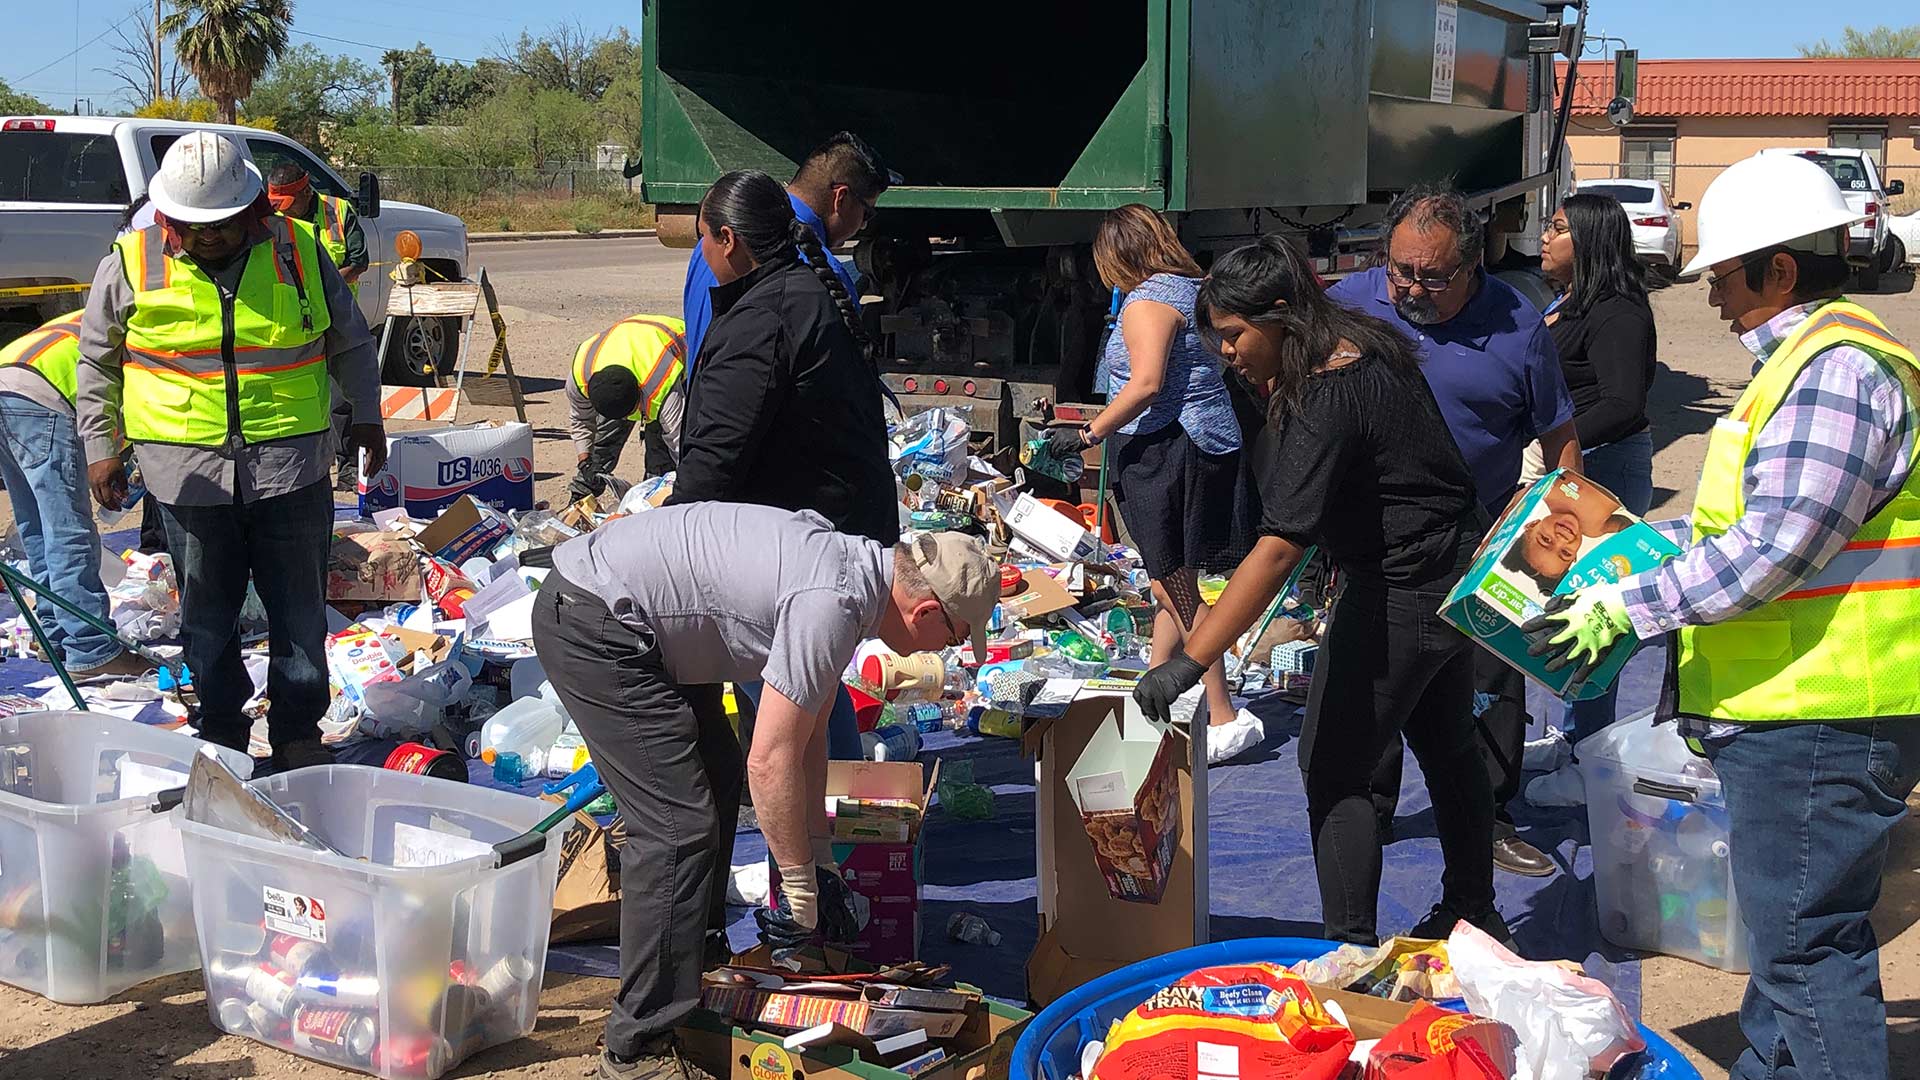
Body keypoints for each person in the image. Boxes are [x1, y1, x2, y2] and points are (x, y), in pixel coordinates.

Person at [1529, 153, 1920, 1080]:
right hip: (1796, 708)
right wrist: (1633, 544)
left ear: (1780, 269)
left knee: (1807, 948)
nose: (1710, 295)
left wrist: (1625, 600)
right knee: (1792, 935)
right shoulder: (1807, 361)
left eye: (1725, 275)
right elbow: (1749, 524)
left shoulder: (1834, 372)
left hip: (1820, 715)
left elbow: (1773, 551)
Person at [532, 504, 998, 1080]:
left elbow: (808, 742)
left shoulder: (857, 577)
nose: (947, 652)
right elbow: (771, 761)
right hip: (596, 621)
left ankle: (691, 962)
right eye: (953, 638)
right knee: (678, 824)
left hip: (630, 616)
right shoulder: (833, 603)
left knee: (715, 776)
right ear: (926, 610)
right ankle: (636, 1049)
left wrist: (821, 858)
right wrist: (799, 889)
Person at [1133, 236, 1504, 946]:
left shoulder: (1330, 392)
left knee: (1333, 768)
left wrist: (1189, 660)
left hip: (1402, 584)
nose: (1226, 354)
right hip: (1456, 573)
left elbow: (1278, 548)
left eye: (1236, 335)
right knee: (1447, 742)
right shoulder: (1368, 347)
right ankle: (1472, 907)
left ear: (1281, 318)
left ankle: (1351, 949)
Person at [77, 131, 386, 770]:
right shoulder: (132, 261)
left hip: (292, 466)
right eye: (192, 224)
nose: (207, 235)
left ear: (252, 211)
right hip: (186, 474)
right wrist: (100, 445)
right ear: (168, 215)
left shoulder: (299, 251)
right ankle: (221, 731)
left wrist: (366, 419)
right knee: (207, 616)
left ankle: (298, 730)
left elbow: (350, 342)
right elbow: (98, 358)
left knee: (299, 611)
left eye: (220, 223)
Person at [1329, 183, 1580, 879]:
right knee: (1373, 678)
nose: (1411, 287)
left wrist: (1563, 533)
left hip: (1481, 539)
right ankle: (1369, 810)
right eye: (1400, 269)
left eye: (1432, 277)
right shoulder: (1350, 305)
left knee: (1489, 685)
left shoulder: (1517, 325)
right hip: (1378, 541)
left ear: (1474, 265)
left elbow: (1559, 436)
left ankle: (1489, 815)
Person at [668, 169, 900, 764]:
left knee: (787, 692)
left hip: (803, 540)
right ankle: (834, 819)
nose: (700, 254)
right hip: (828, 524)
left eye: (702, 239)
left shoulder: (762, 318)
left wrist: (667, 534)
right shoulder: (800, 291)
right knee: (810, 691)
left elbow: (717, 452)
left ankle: (825, 831)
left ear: (728, 240)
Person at [1044, 205, 1262, 763]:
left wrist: (1088, 432)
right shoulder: (1196, 288)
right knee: (1173, 581)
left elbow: (1144, 384)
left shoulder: (1148, 301)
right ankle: (1153, 698)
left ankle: (1221, 714)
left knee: (1175, 589)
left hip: (1164, 451)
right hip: (1203, 440)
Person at [1524, 193, 1659, 801]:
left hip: (1601, 475)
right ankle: (1578, 734)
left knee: (1594, 616)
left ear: (1592, 241)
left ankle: (1589, 763)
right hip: (1574, 472)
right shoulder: (1571, 299)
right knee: (1563, 610)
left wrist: (1559, 445)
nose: (1544, 238)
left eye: (1557, 229)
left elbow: (1624, 405)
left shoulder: (1619, 312)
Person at [0, 313, 153, 678]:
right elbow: (128, 400)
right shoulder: (148, 327)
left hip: (10, 384)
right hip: (46, 397)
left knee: (36, 526)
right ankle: (92, 647)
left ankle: (52, 635)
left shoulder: (101, 311)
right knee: (69, 531)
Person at [680, 132, 894, 367]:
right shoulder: (824, 273)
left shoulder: (711, 243)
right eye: (867, 213)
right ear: (840, 198)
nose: (864, 225)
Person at [267, 163, 370, 493]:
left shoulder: (338, 212)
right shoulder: (272, 219)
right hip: (293, 322)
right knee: (305, 398)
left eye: (285, 204)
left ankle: (350, 468)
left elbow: (359, 260)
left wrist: (322, 285)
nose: (280, 211)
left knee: (343, 399)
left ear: (305, 192)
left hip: (335, 319)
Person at [566, 314, 687, 502]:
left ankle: (658, 497)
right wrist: (585, 461)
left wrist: (688, 483)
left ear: (640, 396)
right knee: (602, 441)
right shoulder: (581, 375)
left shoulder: (660, 386)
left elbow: (679, 442)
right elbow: (581, 421)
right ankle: (580, 498)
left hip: (677, 344)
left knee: (661, 450)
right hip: (627, 349)